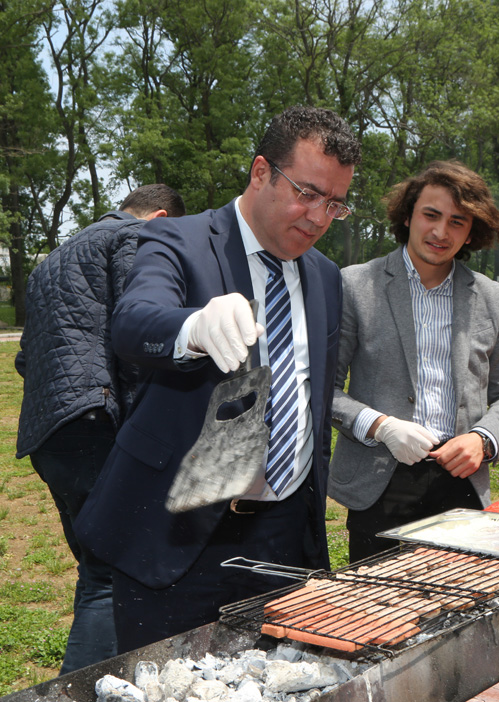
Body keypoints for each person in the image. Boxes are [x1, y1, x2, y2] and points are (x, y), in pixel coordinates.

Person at [74, 105, 362, 653]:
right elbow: (134, 322)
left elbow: (312, 399)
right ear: (260, 172)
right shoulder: (178, 241)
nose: (319, 217)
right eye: (307, 192)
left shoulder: (326, 277)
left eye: (335, 204)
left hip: (283, 537)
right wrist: (193, 327)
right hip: (178, 533)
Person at [15, 184, 187, 674]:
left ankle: (120, 677)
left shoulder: (54, 259)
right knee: (111, 575)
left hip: (49, 436)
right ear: (158, 218)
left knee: (97, 571)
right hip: (98, 425)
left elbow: (26, 358)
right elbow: (136, 335)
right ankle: (83, 688)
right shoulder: (133, 238)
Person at [328, 160, 499, 562]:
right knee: (375, 613)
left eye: (458, 221)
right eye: (431, 215)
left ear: (472, 230)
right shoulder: (354, 285)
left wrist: (483, 440)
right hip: (378, 483)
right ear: (407, 216)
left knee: (460, 611)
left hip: (462, 482)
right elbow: (323, 391)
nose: (440, 232)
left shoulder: (492, 297)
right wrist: (381, 426)